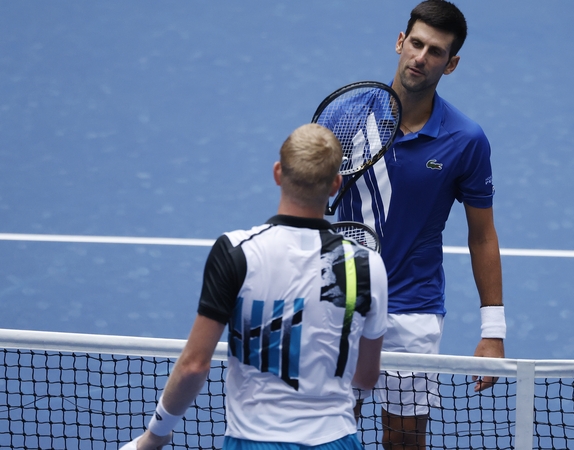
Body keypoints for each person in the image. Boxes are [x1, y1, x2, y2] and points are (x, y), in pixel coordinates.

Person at [122, 123, 388, 450]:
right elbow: (365, 377)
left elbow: (193, 366)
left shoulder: (235, 252)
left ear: (278, 173)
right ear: (336, 184)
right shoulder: (366, 265)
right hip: (336, 441)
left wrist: (155, 436)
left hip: (252, 442)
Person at [335, 1, 505, 449]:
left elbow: (482, 234)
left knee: (405, 439)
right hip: (343, 297)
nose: (420, 58)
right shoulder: (348, 116)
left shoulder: (465, 139)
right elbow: (306, 203)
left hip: (413, 308)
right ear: (399, 41)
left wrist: (493, 332)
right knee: (329, 431)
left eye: (435, 52)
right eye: (415, 44)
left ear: (451, 65)